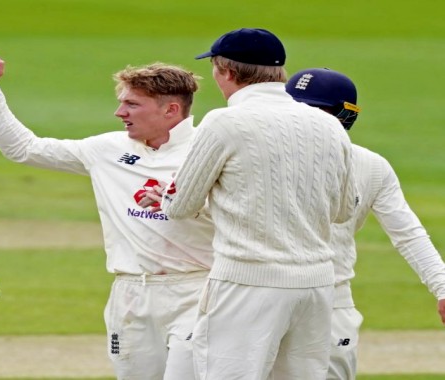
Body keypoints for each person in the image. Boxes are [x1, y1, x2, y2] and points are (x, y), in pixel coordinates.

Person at [0, 57, 214, 379]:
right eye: (121, 102)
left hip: (195, 290)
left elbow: (246, 213)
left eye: (132, 104)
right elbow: (24, 148)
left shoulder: (209, 150)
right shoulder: (107, 149)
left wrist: (185, 200)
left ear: (170, 110)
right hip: (130, 294)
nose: (119, 112)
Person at [140, 28, 358, 379]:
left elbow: (178, 206)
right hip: (317, 287)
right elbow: (344, 210)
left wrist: (176, 194)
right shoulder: (328, 125)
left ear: (225, 71)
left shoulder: (224, 121)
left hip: (248, 284)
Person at [285, 67, 445, 380]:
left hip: (332, 301)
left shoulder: (371, 166)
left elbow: (408, 234)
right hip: (262, 293)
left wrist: (442, 286)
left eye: (311, 110)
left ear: (344, 117)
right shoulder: (259, 154)